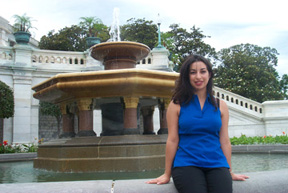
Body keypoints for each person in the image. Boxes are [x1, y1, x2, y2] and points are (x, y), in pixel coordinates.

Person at [147, 55, 249, 193]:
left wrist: (229, 170)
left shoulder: (221, 105)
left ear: (209, 74)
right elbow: (172, 140)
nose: (198, 77)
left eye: (203, 71)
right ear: (187, 76)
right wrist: (167, 173)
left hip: (217, 163)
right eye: (193, 72)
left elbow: (224, 140)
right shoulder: (177, 104)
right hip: (186, 164)